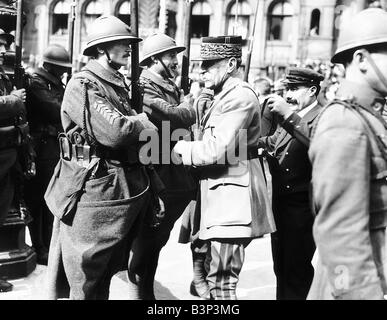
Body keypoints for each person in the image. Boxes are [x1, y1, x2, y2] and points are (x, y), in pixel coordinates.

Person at [45, 15, 158, 300]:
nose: (128, 49)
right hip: (94, 191)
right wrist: (142, 121)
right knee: (86, 277)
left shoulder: (117, 83)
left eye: (129, 44)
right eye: (120, 43)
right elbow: (116, 133)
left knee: (106, 270)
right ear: (100, 49)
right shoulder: (84, 84)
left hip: (118, 189)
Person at [172, 36, 276, 300]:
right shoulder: (221, 96)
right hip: (221, 195)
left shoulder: (239, 97)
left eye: (209, 65)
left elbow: (216, 149)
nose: (202, 71)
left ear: (231, 63)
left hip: (234, 199)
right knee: (213, 277)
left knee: (222, 283)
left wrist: (177, 149)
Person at [307, 8, 387, 300]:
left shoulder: (371, 116)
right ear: (361, 59)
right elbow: (340, 232)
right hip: (358, 286)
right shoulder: (344, 122)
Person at [127, 33, 197, 300]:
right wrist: (188, 104)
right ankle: (140, 290)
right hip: (155, 168)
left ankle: (145, 289)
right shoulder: (144, 86)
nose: (176, 61)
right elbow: (177, 116)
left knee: (159, 238)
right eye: (171, 56)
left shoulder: (169, 85)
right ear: (155, 59)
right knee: (149, 236)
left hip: (174, 167)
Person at [259, 67, 324, 300]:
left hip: (302, 207)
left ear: (313, 90)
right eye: (287, 88)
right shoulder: (292, 115)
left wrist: (288, 115)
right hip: (281, 202)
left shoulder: (321, 115)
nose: (289, 94)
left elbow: (316, 142)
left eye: (295, 89)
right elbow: (273, 142)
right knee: (281, 268)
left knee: (297, 270)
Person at [24, 44, 72, 265]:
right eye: (61, 68)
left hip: (55, 146)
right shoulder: (36, 83)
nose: (63, 72)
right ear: (50, 66)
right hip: (41, 147)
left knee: (52, 198)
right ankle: (39, 246)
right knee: (39, 198)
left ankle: (47, 244)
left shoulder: (53, 83)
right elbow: (57, 110)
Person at [0, 29, 27, 292]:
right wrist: (14, 100)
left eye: (3, 46)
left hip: (7, 153)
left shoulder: (3, 75)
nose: (1, 50)